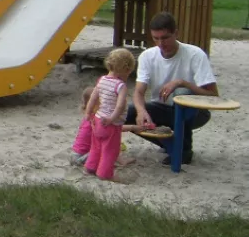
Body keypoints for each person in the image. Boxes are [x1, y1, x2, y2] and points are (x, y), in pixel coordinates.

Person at [125, 11, 218, 166]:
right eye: (156, 38)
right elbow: (139, 92)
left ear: (176, 33)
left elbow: (213, 95)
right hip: (162, 108)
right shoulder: (147, 56)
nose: (161, 43)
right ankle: (171, 144)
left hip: (195, 111)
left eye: (165, 37)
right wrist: (141, 111)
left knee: (181, 94)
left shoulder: (195, 54)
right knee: (128, 112)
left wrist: (183, 83)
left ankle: (184, 151)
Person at [83, 48, 137, 181]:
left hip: (97, 119)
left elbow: (93, 98)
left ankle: (90, 167)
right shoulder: (120, 86)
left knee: (96, 146)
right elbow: (120, 106)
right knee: (110, 150)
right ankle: (104, 174)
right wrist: (112, 118)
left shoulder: (101, 80)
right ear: (126, 69)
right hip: (111, 124)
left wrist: (88, 113)